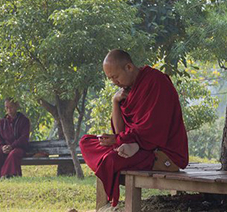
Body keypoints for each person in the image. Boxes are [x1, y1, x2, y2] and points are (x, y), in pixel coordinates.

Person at [80, 49, 189, 208]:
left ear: (129, 67)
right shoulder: (127, 90)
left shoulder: (156, 82)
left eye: (115, 77)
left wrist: (125, 142)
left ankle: (130, 151)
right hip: (134, 144)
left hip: (161, 152)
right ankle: (129, 150)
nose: (114, 82)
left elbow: (156, 129)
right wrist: (115, 102)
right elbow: (120, 131)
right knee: (86, 142)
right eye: (110, 79)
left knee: (110, 160)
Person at [0, 98, 31, 179]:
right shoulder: (2, 122)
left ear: (16, 106)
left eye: (11, 107)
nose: (9, 110)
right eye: (7, 108)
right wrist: (2, 147)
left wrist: (12, 146)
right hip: (4, 149)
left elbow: (24, 138)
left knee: (14, 154)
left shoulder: (24, 121)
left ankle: (7, 176)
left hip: (19, 148)